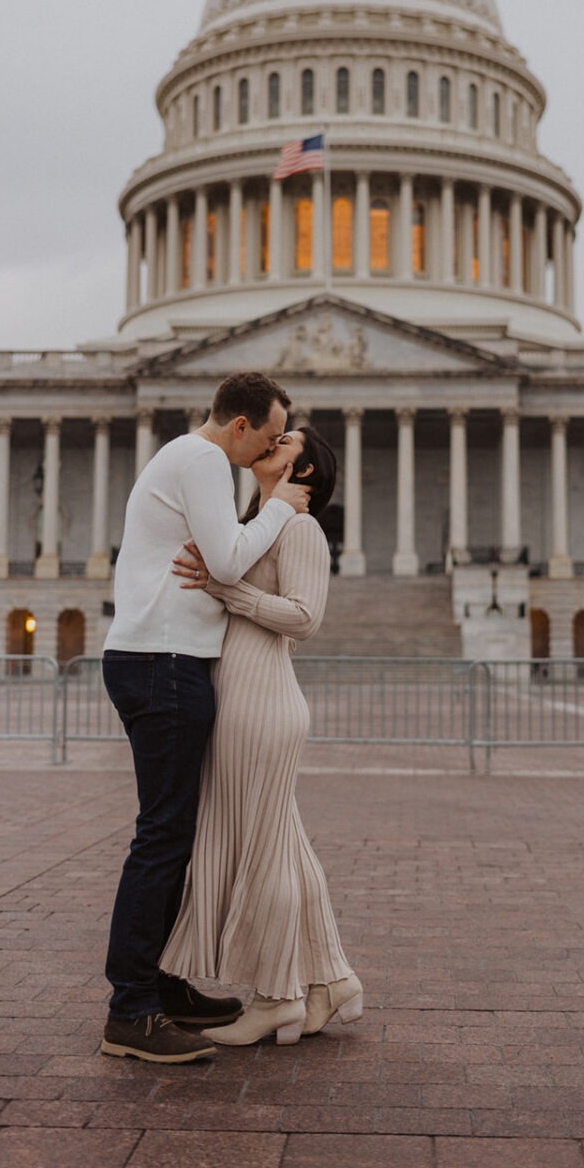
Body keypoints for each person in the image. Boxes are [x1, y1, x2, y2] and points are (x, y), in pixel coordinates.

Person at [100, 371, 311, 1064]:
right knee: (162, 837)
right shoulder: (201, 460)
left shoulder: (191, 461)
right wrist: (279, 507)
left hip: (166, 656)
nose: (274, 449)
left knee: (175, 836)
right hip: (160, 660)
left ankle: (160, 988)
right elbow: (226, 560)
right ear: (241, 426)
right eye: (273, 436)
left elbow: (220, 564)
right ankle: (131, 1008)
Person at [159, 425, 362, 1046]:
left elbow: (304, 618)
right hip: (242, 693)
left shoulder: (300, 529)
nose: (272, 443)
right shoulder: (260, 526)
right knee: (283, 844)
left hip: (261, 698)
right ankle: (330, 979)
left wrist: (228, 590)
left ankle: (277, 998)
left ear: (302, 472)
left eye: (286, 443)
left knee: (264, 848)